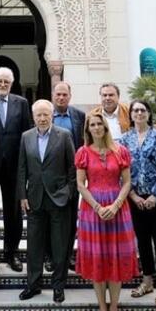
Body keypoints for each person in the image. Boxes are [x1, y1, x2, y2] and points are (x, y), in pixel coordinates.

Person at [75, 112, 138, 311]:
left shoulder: (120, 152)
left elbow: (127, 182)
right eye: (92, 125)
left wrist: (115, 205)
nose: (96, 128)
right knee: (97, 258)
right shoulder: (83, 152)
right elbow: (80, 184)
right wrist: (97, 207)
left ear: (106, 127)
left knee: (116, 258)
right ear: (88, 129)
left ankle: (114, 309)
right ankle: (102, 309)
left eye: (99, 124)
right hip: (92, 210)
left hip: (118, 208)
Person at [17, 100, 76, 303]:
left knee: (59, 246)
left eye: (45, 115)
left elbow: (72, 168)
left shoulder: (64, 135)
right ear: (33, 117)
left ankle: (58, 286)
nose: (42, 119)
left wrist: (69, 192)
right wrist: (22, 196)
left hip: (59, 199)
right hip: (34, 199)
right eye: (38, 115)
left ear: (52, 116)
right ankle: (33, 285)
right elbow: (22, 169)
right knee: (34, 245)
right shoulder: (26, 137)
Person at [119, 100, 156, 305]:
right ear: (130, 114)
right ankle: (147, 280)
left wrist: (154, 196)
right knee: (142, 241)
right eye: (135, 110)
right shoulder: (125, 139)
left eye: (143, 110)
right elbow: (121, 171)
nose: (139, 113)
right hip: (136, 200)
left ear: (148, 113)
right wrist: (133, 196)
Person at [0, 67, 31, 272]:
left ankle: (12, 253)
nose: (2, 85)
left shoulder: (22, 103)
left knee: (13, 212)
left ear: (12, 84)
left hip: (14, 166)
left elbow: (27, 135)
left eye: (6, 82)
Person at [46, 81, 85, 272]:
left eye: (64, 94)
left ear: (70, 96)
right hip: (48, 176)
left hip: (71, 176)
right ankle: (50, 256)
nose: (61, 98)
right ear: (53, 95)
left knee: (69, 218)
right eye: (58, 94)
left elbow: (84, 145)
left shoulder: (79, 116)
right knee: (49, 217)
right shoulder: (44, 115)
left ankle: (68, 255)